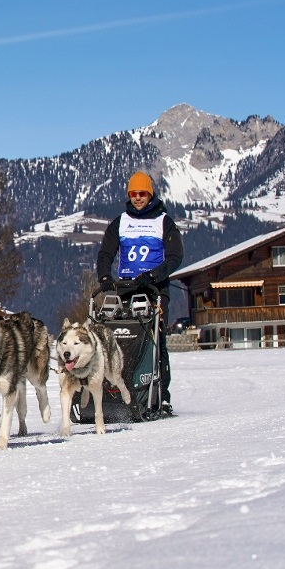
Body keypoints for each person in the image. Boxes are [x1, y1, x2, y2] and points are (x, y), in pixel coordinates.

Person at [95, 171, 183, 415]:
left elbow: (176, 256)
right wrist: (104, 277)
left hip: (154, 288)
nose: (137, 198)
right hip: (125, 287)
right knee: (118, 338)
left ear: (150, 194)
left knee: (156, 338)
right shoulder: (120, 222)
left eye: (142, 193)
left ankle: (161, 396)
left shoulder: (164, 221)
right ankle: (120, 391)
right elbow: (105, 253)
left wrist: (153, 276)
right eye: (133, 194)